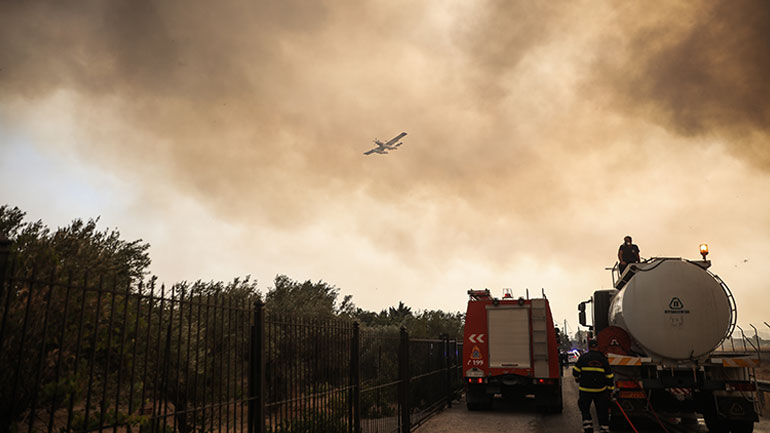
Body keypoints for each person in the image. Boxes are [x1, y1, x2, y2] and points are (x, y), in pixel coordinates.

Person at [572, 339, 614, 433]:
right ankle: (604, 429)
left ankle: (588, 429)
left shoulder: (583, 358)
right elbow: (609, 376)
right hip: (600, 391)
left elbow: (575, 371)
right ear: (597, 347)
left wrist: (577, 378)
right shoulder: (603, 359)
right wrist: (610, 390)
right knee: (602, 411)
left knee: (585, 410)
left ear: (589, 347)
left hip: (585, 391)